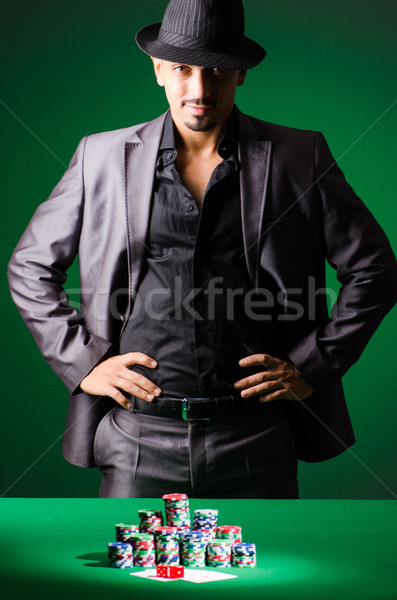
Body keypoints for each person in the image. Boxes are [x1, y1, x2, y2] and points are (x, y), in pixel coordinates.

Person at [8, 0, 397, 499]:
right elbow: (30, 266)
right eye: (182, 69)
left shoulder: (301, 156)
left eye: (216, 71)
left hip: (259, 435)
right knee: (128, 577)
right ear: (158, 72)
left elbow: (375, 270)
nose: (199, 89)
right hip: (135, 436)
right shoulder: (100, 156)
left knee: (262, 576)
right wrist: (84, 364)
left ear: (241, 75)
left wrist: (313, 366)